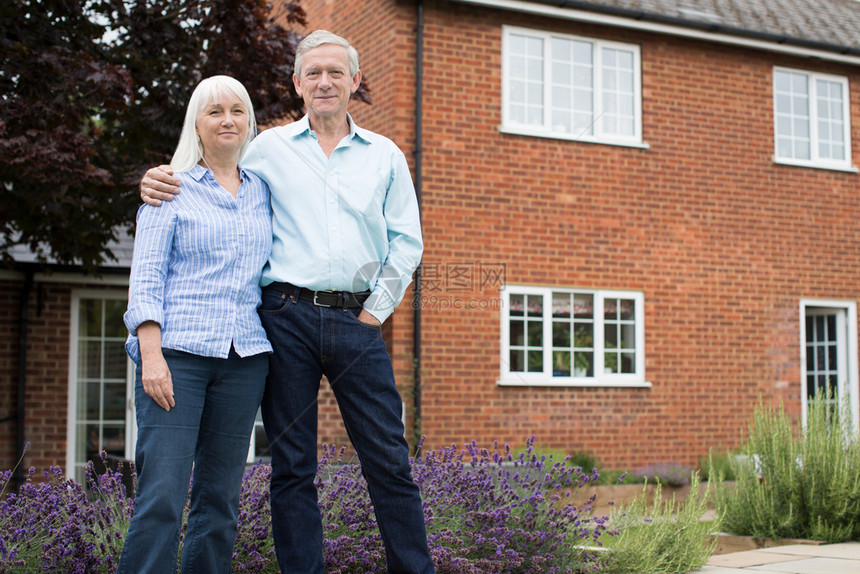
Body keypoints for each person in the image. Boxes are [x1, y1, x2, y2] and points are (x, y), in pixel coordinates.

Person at [140, 31, 435, 574]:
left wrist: (373, 314)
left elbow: (407, 243)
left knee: (389, 460)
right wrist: (158, 179)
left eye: (335, 72)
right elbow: (212, 169)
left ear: (354, 81)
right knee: (293, 466)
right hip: (283, 319)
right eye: (313, 73)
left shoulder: (386, 156)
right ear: (297, 83)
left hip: (357, 321)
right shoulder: (267, 147)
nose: (325, 82)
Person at [119, 75, 272, 574]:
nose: (227, 120)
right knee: (162, 496)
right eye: (214, 112)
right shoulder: (170, 189)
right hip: (177, 358)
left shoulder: (265, 192)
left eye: (236, 110)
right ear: (198, 125)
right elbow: (146, 279)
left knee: (221, 500)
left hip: (243, 359)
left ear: (249, 121)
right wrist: (152, 356)